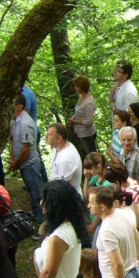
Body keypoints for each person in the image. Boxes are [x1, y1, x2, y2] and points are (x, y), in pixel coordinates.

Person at [8, 93, 45, 237]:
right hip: (23, 164)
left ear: (20, 106)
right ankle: (36, 215)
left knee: (38, 194)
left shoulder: (25, 123)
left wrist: (15, 164)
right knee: (31, 191)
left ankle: (44, 225)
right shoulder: (15, 119)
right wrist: (12, 158)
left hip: (29, 164)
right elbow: (13, 140)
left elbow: (26, 151)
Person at [83, 152, 112, 248]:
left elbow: (104, 207)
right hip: (95, 216)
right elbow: (86, 194)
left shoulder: (107, 183)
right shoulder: (96, 177)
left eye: (90, 168)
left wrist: (93, 225)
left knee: (96, 247)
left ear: (98, 166)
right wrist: (86, 178)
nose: (88, 171)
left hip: (101, 220)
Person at [46, 123, 83, 197]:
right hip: (57, 193)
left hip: (68, 200)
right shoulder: (58, 146)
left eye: (49, 135)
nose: (46, 136)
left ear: (59, 138)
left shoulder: (66, 159)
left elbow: (63, 188)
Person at [22, 84, 48, 183]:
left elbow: (25, 117)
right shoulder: (27, 91)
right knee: (37, 158)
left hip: (31, 133)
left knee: (33, 160)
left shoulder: (25, 95)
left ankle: (41, 184)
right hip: (33, 131)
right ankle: (45, 183)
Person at [68, 76, 97, 154]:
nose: (75, 88)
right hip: (81, 132)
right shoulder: (81, 96)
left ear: (82, 87)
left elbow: (89, 121)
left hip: (88, 134)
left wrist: (75, 121)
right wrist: (73, 117)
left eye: (77, 86)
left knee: (92, 155)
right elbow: (78, 110)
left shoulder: (89, 103)